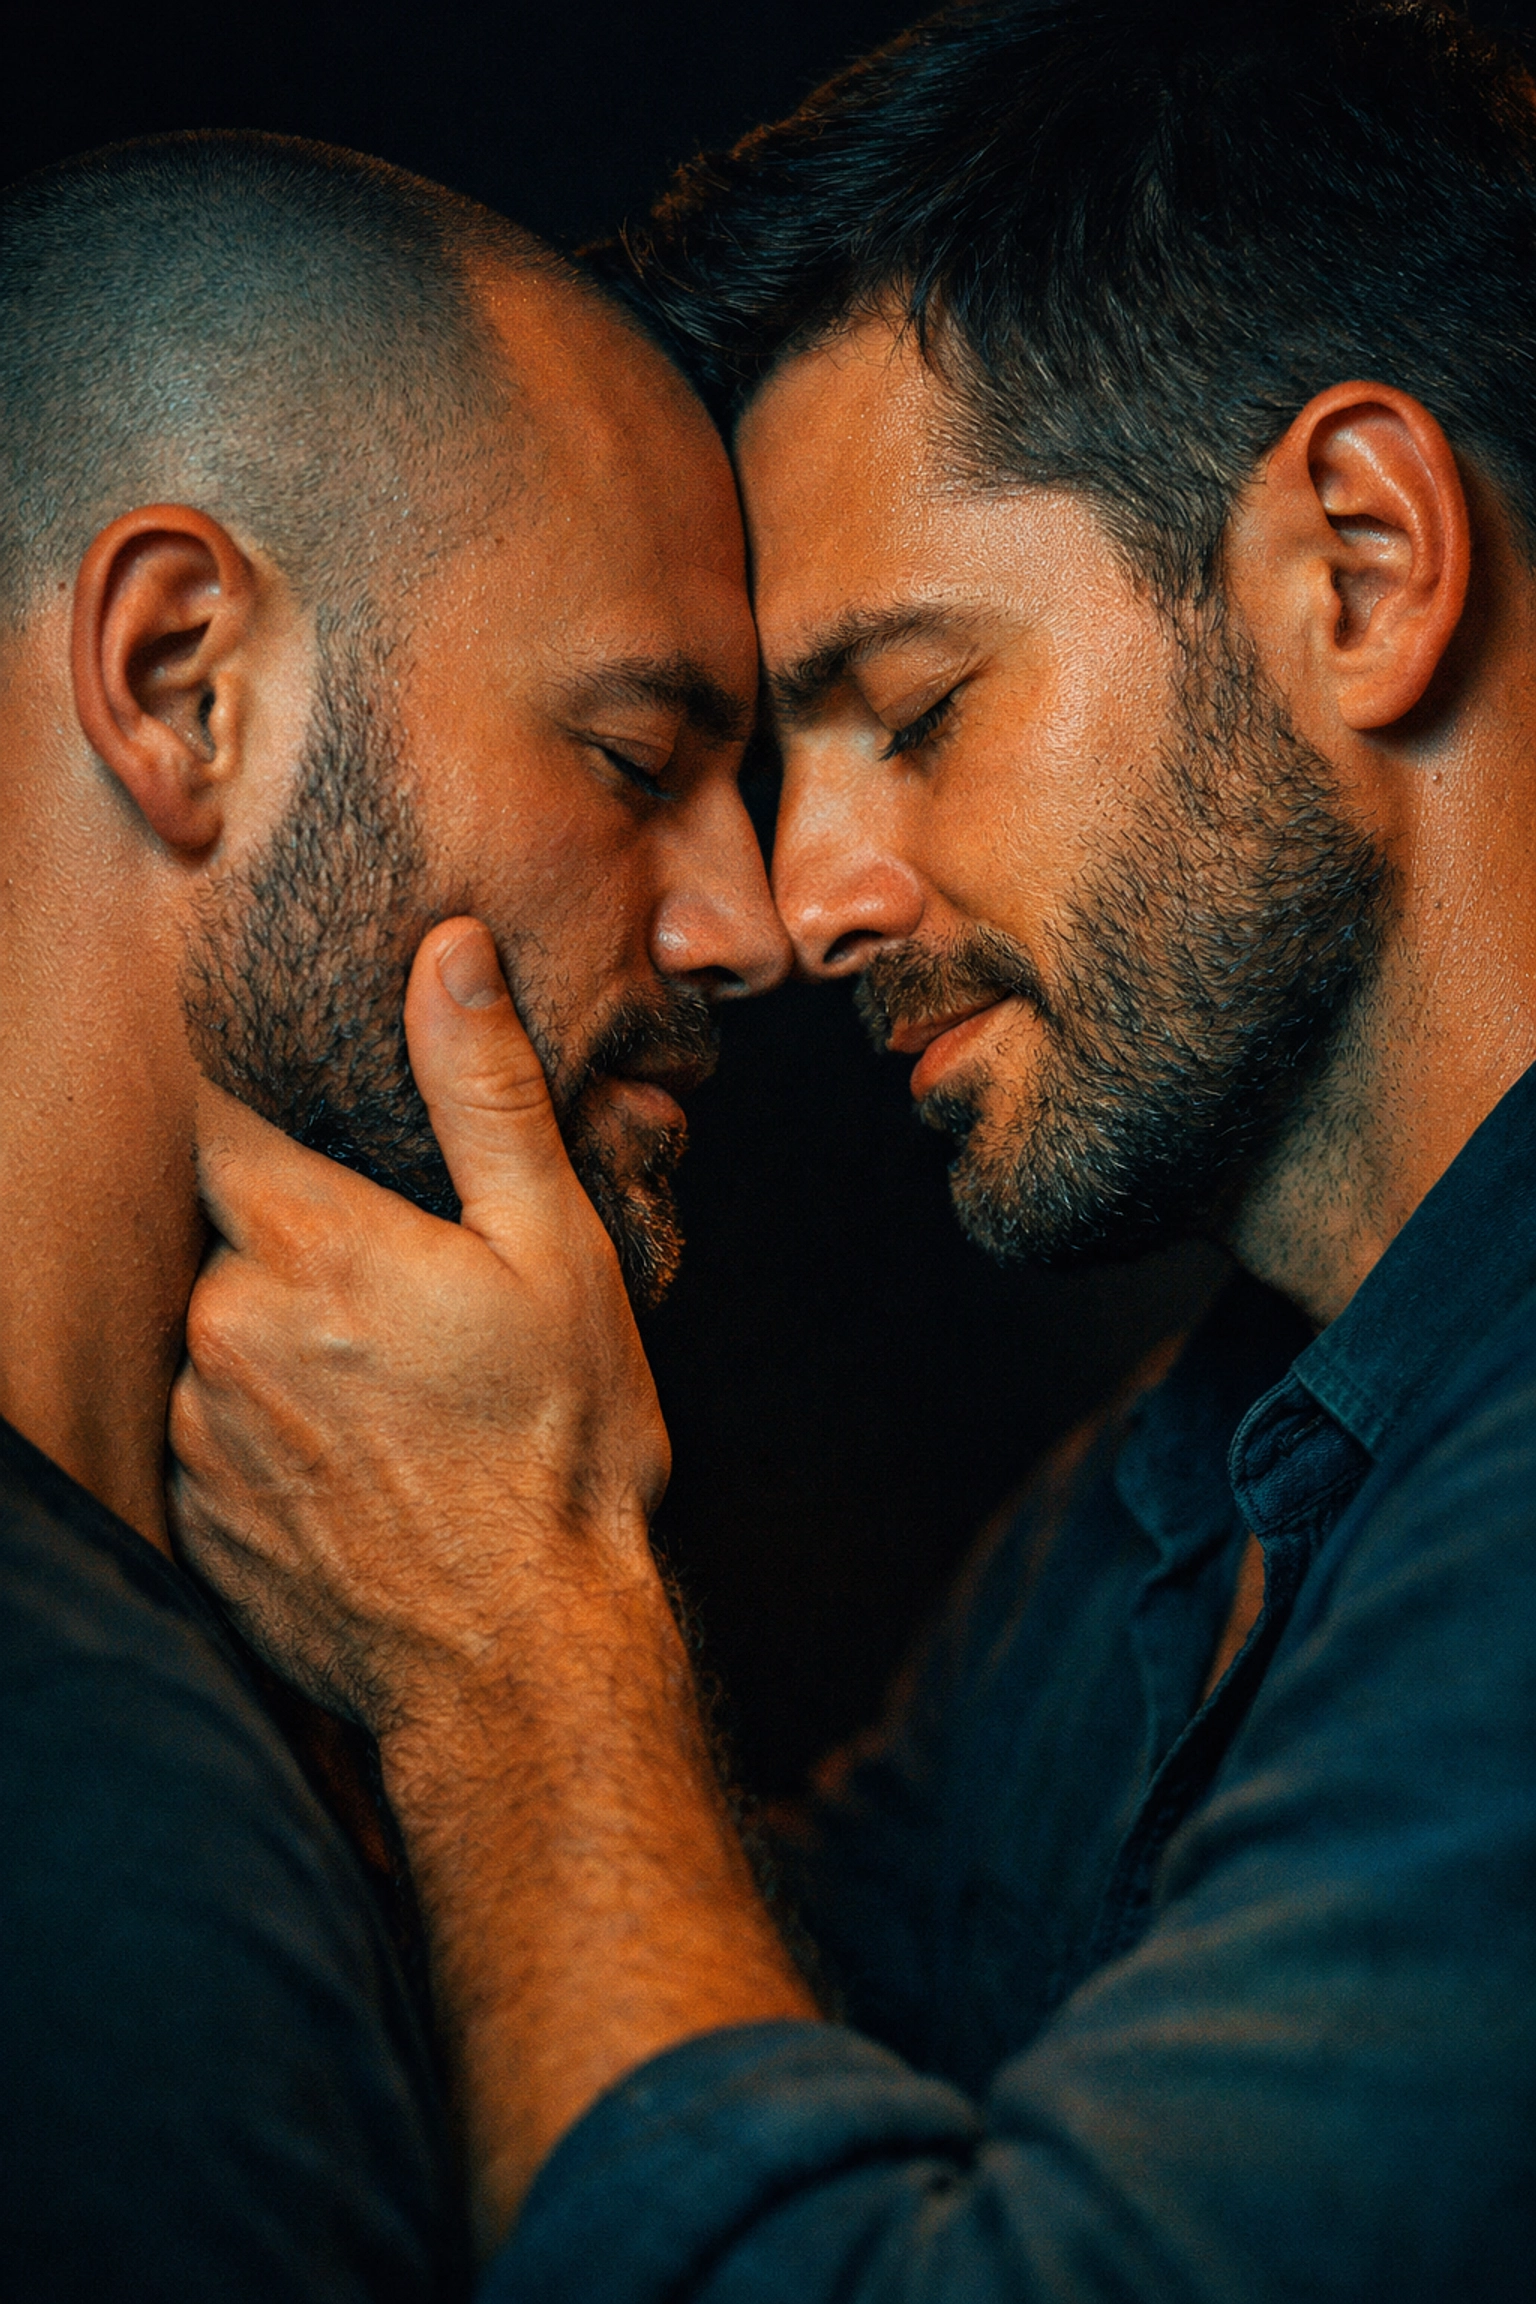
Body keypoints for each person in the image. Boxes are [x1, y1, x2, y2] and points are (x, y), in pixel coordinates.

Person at [170, 3, 1536, 2299]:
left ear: (1367, 568)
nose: (809, 909)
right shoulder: (1179, 1488)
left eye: (914, 711)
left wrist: (518, 1630)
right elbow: (708, 2015)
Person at [0, 129, 787, 2299]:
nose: (752, 925)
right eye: (638, 760)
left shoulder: (223, 1731)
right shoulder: (99, 1868)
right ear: (187, 687)